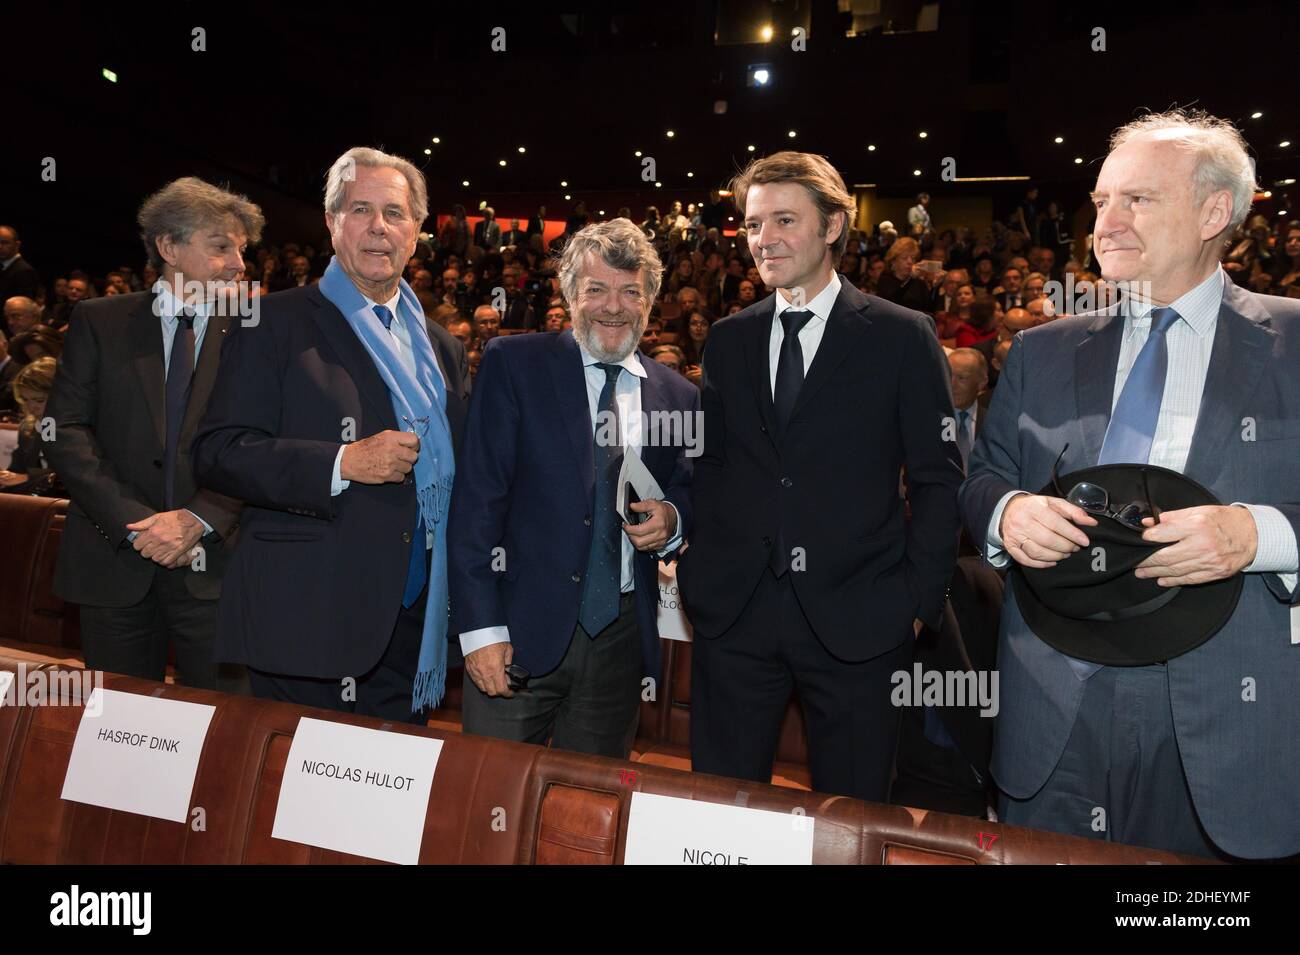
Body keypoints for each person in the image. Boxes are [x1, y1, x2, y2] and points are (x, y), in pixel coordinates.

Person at [961, 110, 1300, 860]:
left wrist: (1257, 535)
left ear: (1215, 211)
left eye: (1136, 200)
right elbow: (983, 477)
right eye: (1101, 199)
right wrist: (1008, 512)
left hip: (1225, 714)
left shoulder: (1294, 341)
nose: (1104, 223)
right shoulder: (1043, 351)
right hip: (1055, 700)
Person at [678, 151, 962, 801]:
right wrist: (701, 570)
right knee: (719, 810)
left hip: (861, 621)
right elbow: (712, 466)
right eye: (752, 225)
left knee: (851, 817)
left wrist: (916, 604)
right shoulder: (728, 339)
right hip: (735, 616)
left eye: (783, 220)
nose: (763, 240)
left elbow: (937, 479)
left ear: (833, 226)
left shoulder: (903, 336)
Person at [194, 146, 470, 721]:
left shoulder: (442, 346)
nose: (378, 227)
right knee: (300, 798)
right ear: (330, 222)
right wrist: (340, 462)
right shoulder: (272, 323)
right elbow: (218, 454)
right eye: (359, 208)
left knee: (391, 792)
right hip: (309, 615)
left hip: (414, 620)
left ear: (417, 231)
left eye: (394, 213)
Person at [449, 219, 698, 759]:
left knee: (589, 819)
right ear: (569, 294)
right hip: (515, 636)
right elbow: (475, 504)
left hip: (619, 645)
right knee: (493, 804)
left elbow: (687, 487)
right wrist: (480, 630)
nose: (614, 306)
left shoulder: (678, 393)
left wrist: (673, 518)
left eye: (631, 291)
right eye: (596, 290)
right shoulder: (515, 365)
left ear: (650, 302)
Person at [42, 177, 257, 690]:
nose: (239, 264)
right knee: (116, 730)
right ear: (169, 247)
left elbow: (261, 445)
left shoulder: (257, 327)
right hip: (114, 561)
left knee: (223, 737)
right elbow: (63, 430)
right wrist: (139, 525)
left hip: (220, 569)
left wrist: (198, 519)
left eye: (242, 249)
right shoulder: (100, 320)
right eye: (221, 246)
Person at [0, 357, 63, 496]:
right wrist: (6, 476)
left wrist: (27, 477)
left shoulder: (76, 428)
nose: (31, 407)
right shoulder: (29, 426)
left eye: (39, 400)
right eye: (25, 400)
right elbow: (17, 469)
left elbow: (67, 471)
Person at [0, 226, 42, 308]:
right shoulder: (3, 267)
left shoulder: (24, 271)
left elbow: (24, 309)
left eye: (5, 242)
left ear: (17, 245)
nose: (0, 246)